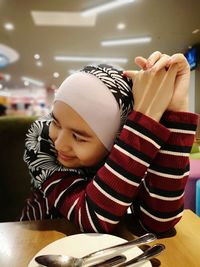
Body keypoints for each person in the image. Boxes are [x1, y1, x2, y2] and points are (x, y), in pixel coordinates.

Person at [20, 51, 198, 234]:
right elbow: (91, 218)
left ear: (117, 139)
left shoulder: (134, 142)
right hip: (41, 240)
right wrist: (146, 115)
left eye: (78, 137)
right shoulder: (40, 138)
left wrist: (176, 109)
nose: (59, 144)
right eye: (56, 123)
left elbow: (158, 222)